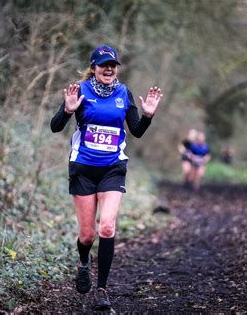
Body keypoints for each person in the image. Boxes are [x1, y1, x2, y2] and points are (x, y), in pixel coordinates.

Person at [50, 45, 163, 311]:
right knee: (88, 235)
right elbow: (55, 127)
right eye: (103, 65)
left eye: (113, 65)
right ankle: (83, 263)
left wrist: (147, 116)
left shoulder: (124, 93)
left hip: (113, 168)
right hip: (83, 169)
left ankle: (102, 290)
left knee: (108, 228)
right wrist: (67, 111)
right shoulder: (79, 91)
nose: (109, 68)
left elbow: (136, 131)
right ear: (94, 67)